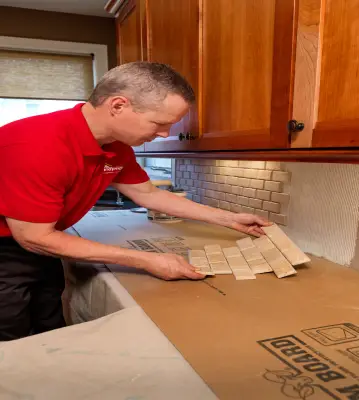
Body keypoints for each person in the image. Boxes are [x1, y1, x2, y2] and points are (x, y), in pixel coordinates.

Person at [0, 62, 270, 341]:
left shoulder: (116, 146)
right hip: (10, 247)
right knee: (10, 336)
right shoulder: (38, 146)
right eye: (159, 123)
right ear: (118, 106)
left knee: (47, 325)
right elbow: (35, 237)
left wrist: (229, 219)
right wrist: (145, 260)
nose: (165, 134)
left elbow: (148, 194)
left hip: (38, 246)